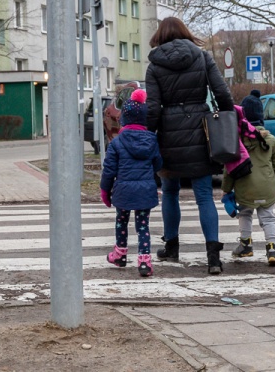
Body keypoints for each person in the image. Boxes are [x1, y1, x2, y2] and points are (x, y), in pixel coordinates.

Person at [145, 17, 234, 275]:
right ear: (185, 33)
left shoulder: (154, 66)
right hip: (201, 131)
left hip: (170, 134)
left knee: (170, 191)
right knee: (204, 195)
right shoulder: (202, 57)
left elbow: (152, 107)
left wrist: (148, 135)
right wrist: (227, 119)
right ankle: (213, 258)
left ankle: (171, 247)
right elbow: (223, 94)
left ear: (160, 36)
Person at [100, 89, 163, 277]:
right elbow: (158, 163)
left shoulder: (117, 143)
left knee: (122, 221)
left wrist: (105, 190)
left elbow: (109, 170)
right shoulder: (151, 140)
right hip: (145, 189)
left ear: (124, 119)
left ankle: (119, 254)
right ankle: (144, 261)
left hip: (123, 190)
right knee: (142, 225)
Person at [222, 102, 275, 266]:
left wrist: (226, 189)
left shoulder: (237, 141)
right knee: (268, 218)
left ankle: (245, 245)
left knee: (245, 214)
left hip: (244, 186)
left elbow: (229, 168)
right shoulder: (270, 140)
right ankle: (272, 249)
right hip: (266, 185)